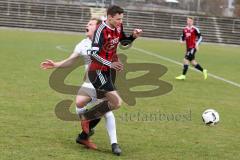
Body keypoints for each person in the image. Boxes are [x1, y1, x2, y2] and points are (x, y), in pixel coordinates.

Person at [40, 18, 121, 155]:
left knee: (107, 111)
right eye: (87, 24)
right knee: (79, 104)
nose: (86, 25)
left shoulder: (105, 42)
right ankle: (84, 135)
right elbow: (70, 60)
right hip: (89, 82)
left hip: (102, 81)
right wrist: (56, 64)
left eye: (90, 24)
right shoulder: (82, 44)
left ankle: (114, 144)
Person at [80, 5, 142, 123]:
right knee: (115, 102)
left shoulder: (118, 27)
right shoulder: (100, 30)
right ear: (109, 17)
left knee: (105, 104)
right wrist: (110, 63)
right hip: (98, 71)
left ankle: (85, 132)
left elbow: (123, 42)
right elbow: (93, 55)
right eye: (118, 19)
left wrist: (133, 37)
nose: (121, 21)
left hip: (108, 71)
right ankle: (86, 118)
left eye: (122, 19)